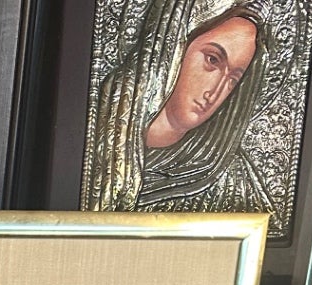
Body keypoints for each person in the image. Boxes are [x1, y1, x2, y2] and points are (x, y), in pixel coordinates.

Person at [86, 0, 274, 215]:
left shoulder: (235, 181)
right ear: (174, 46)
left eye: (233, 79)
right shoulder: (97, 130)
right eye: (212, 60)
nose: (214, 93)